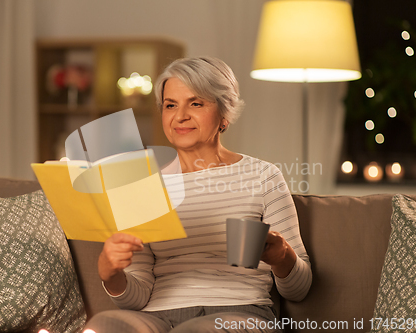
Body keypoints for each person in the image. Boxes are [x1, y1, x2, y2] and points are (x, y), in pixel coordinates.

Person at [85, 56, 312, 333]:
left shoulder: (263, 176)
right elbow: (137, 297)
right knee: (103, 326)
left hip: (240, 313)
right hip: (156, 317)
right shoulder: (144, 186)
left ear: (224, 114)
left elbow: (299, 290)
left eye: (196, 103)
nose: (180, 116)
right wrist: (111, 274)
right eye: (170, 105)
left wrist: (281, 256)